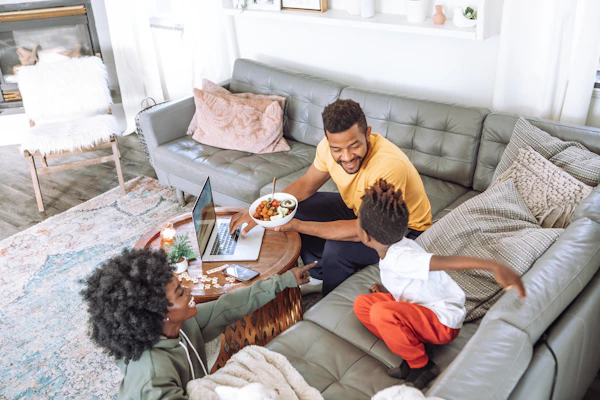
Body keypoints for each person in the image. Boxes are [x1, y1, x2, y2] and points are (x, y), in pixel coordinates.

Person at [230, 99, 432, 295]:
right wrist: (262, 211)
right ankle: (320, 275)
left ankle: (329, 296)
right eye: (337, 149)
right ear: (328, 141)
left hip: (401, 229)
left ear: (368, 134)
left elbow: (363, 229)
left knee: (337, 248)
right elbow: (306, 185)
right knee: (297, 206)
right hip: (360, 210)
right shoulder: (326, 149)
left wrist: (298, 226)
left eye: (354, 146)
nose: (347, 157)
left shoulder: (387, 166)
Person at [353, 179, 526, 389]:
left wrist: (494, 266)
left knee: (381, 312)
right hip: (420, 309)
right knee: (363, 305)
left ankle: (421, 365)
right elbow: (409, 284)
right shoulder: (395, 247)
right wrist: (386, 290)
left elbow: (446, 262)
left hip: (442, 322)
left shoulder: (401, 257)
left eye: (357, 219)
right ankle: (409, 344)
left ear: (366, 235)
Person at [80, 248, 316, 399]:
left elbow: (227, 307)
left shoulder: (179, 326)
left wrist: (285, 280)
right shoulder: (152, 376)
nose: (191, 292)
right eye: (181, 293)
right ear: (160, 314)